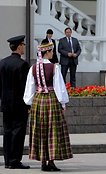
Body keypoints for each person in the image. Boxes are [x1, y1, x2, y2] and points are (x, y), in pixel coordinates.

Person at [23, 41, 73, 171]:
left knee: (40, 130)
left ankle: (43, 162)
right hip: (51, 99)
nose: (52, 53)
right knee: (52, 130)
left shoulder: (33, 68)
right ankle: (51, 161)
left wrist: (29, 103)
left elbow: (30, 88)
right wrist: (62, 103)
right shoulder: (54, 67)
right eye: (51, 51)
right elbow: (59, 87)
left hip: (38, 100)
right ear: (47, 52)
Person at [0, 35, 30, 169]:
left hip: (6, 103)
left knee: (7, 131)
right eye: (23, 45)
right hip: (19, 104)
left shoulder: (2, 62)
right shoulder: (23, 64)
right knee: (18, 132)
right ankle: (15, 160)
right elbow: (25, 87)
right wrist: (28, 104)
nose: (23, 47)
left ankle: (7, 160)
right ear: (19, 46)